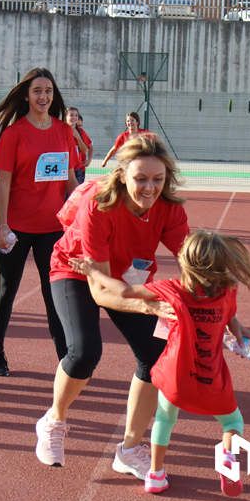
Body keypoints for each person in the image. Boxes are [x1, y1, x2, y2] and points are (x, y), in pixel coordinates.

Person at [36, 133, 188, 478]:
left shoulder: (170, 208)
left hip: (129, 276)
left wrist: (218, 303)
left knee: (156, 354)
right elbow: (102, 290)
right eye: (141, 179)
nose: (150, 188)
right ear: (122, 176)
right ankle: (54, 419)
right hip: (77, 270)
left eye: (158, 179)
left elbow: (191, 261)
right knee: (84, 351)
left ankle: (130, 448)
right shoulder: (100, 205)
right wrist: (150, 306)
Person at [70, 229, 250, 495]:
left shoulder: (172, 289)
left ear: (186, 261)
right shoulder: (228, 293)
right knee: (232, 423)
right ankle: (227, 458)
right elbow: (232, 322)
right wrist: (240, 341)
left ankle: (156, 475)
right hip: (212, 379)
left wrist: (93, 272)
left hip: (176, 378)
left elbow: (123, 291)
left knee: (164, 420)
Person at [0, 67, 79, 376]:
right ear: (26, 95)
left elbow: (70, 180)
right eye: (37, 91)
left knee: (55, 293)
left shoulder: (63, 131)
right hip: (17, 228)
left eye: (48, 91)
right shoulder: (13, 134)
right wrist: (3, 225)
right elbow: (4, 183)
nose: (43, 96)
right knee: (8, 288)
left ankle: (66, 356)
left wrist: (79, 220)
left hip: (52, 228)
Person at [66, 107, 92, 184]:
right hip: (64, 169)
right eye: (71, 115)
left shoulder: (80, 132)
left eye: (76, 115)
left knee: (76, 194)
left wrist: (78, 137)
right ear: (65, 117)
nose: (74, 117)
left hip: (78, 170)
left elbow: (85, 150)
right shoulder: (61, 131)